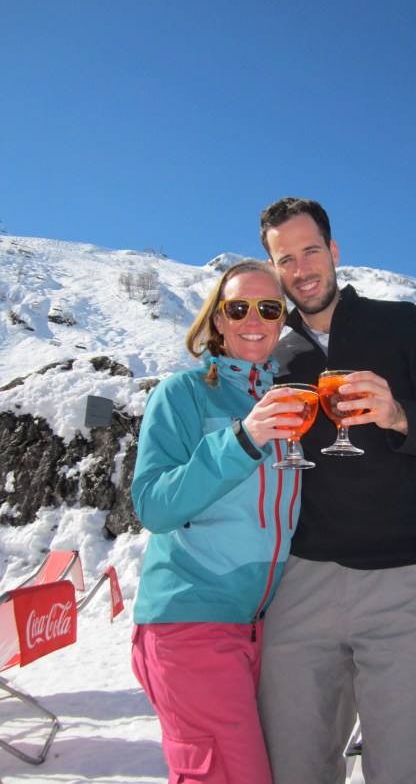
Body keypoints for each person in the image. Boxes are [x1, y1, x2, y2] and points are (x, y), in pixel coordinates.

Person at [256, 198, 416, 784]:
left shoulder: (402, 324)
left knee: (412, 770)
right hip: (301, 584)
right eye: (286, 259)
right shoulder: (273, 353)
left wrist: (400, 415)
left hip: (407, 583)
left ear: (334, 253)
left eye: (311, 251)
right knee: (293, 766)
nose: (302, 269)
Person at [131, 259, 307, 784]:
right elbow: (154, 505)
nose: (254, 318)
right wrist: (242, 439)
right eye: (238, 307)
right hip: (190, 622)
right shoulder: (182, 395)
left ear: (281, 322)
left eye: (268, 307)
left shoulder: (295, 401)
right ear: (217, 321)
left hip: (264, 631)